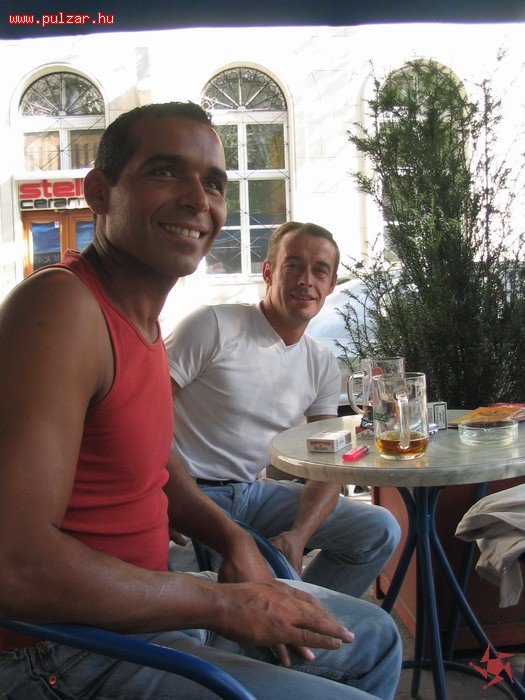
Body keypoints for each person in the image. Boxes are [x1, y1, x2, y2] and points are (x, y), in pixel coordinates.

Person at [0, 102, 401, 699]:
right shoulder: (61, 309)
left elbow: (155, 464)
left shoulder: (142, 319)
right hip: (66, 649)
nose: (198, 200)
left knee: (376, 638)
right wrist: (219, 601)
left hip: (149, 608)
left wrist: (232, 538)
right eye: (165, 171)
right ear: (100, 193)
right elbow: (14, 566)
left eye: (213, 183)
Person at [165, 221, 400, 597]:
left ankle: (303, 614)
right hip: (188, 493)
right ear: (268, 273)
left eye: (320, 270)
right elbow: (137, 411)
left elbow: (328, 463)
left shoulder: (320, 362)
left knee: (379, 530)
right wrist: (161, 494)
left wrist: (298, 535)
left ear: (330, 284)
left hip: (251, 495)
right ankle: (277, 620)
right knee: (221, 598)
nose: (306, 280)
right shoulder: (214, 325)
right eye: (293, 265)